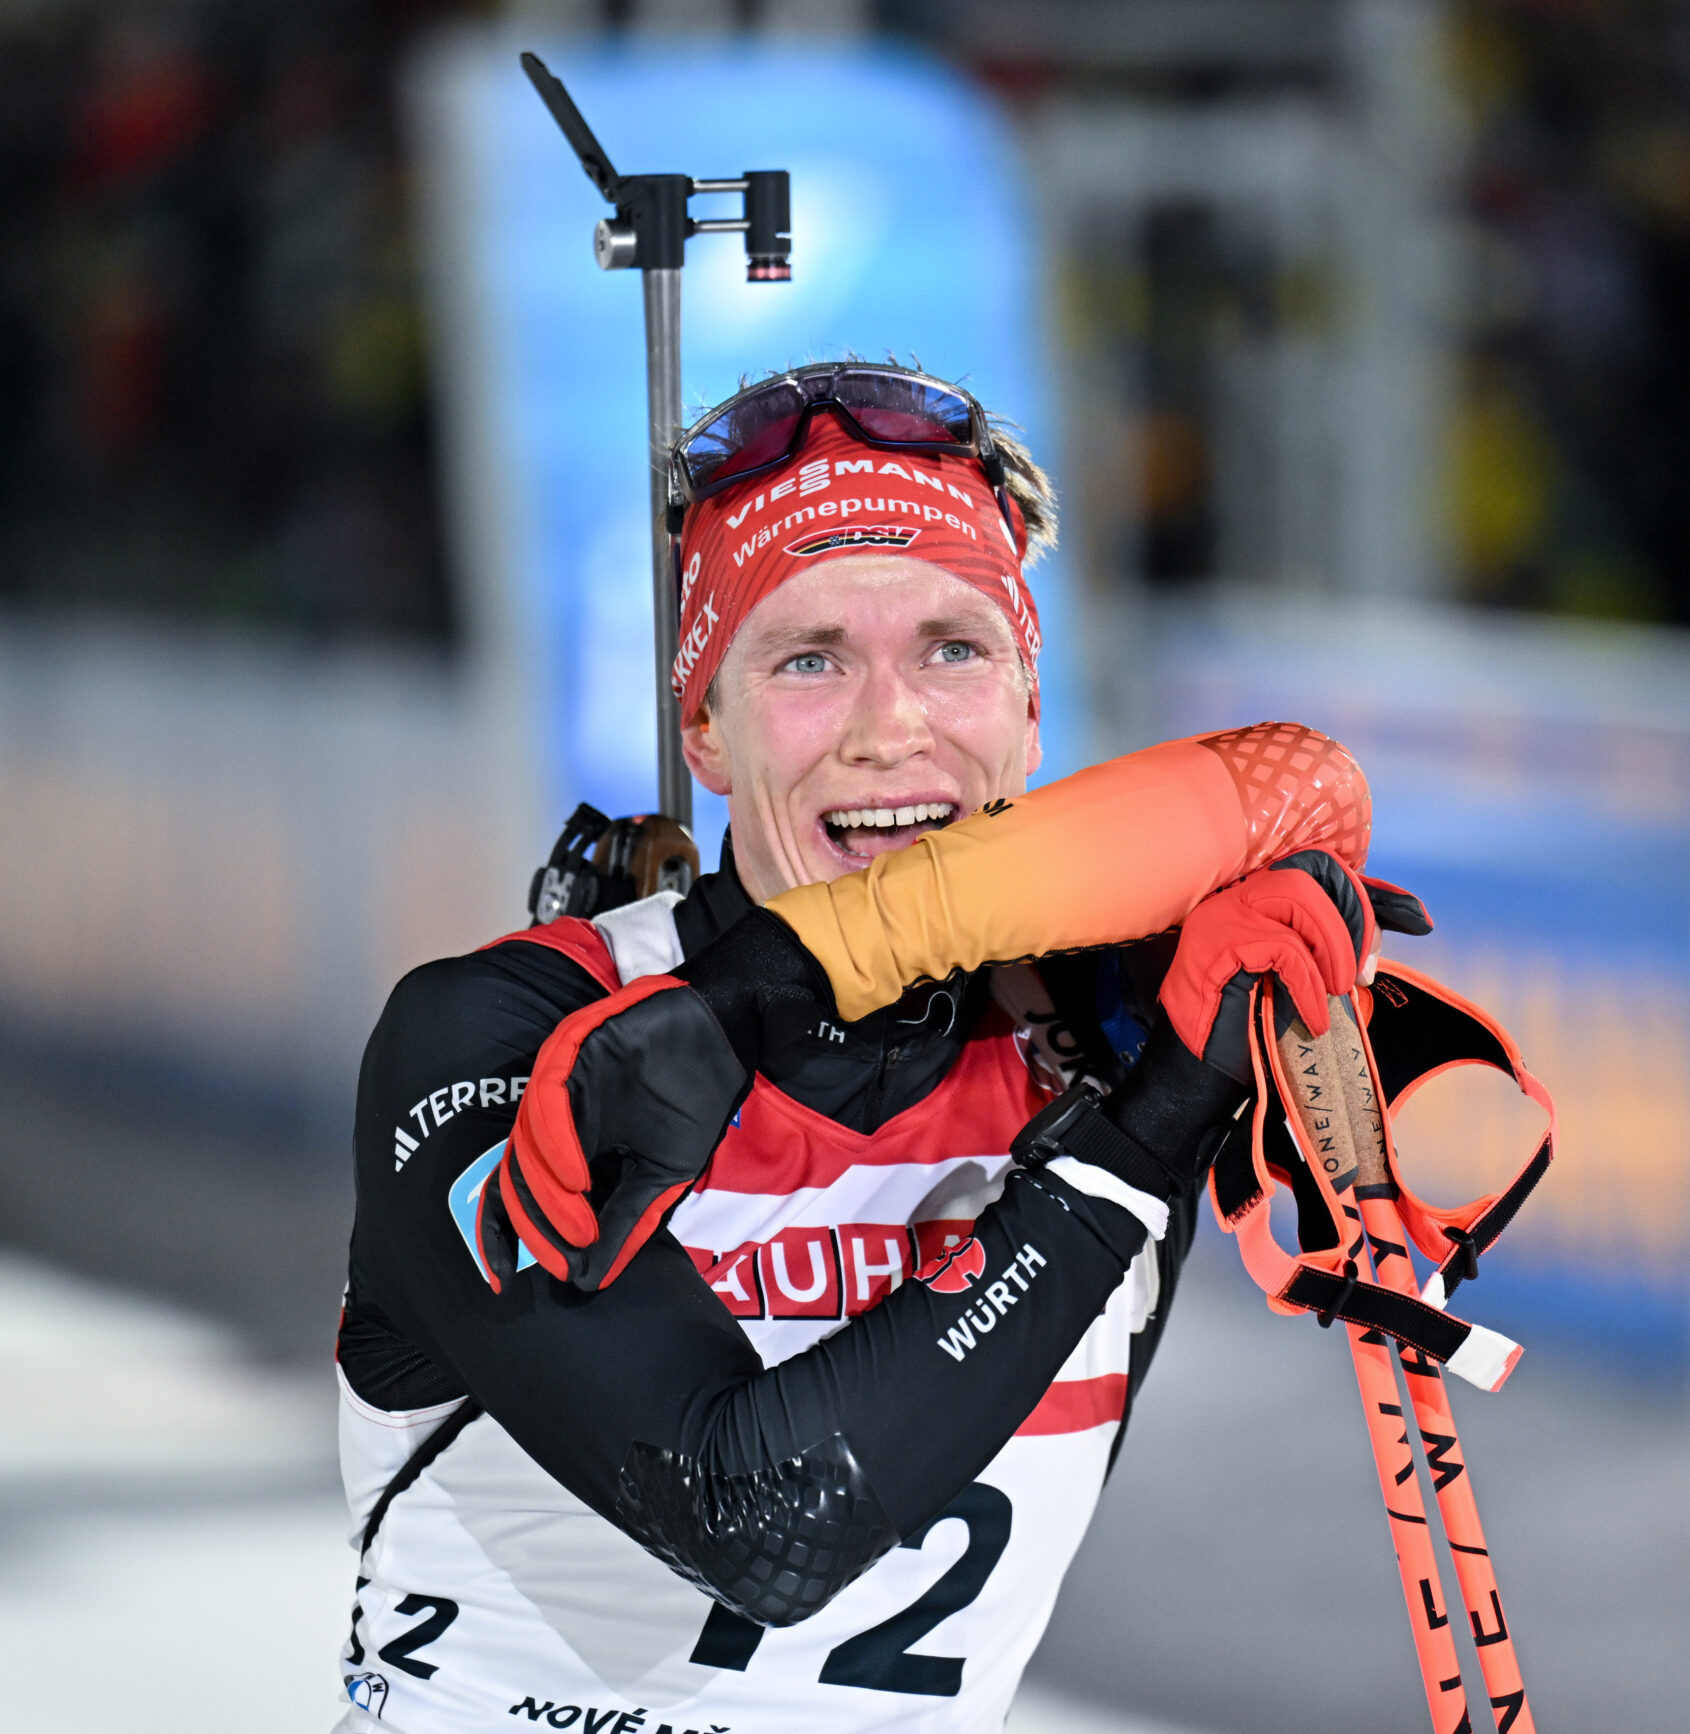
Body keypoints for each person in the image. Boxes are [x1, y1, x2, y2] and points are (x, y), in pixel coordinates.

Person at [333, 363, 1398, 1734]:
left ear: (1028, 706)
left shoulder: (1085, 1018)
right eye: (810, 658)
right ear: (702, 726)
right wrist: (1133, 1151)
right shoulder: (493, 1035)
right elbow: (761, 1523)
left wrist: (780, 980)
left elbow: (1307, 788)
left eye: (954, 648)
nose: (892, 728)